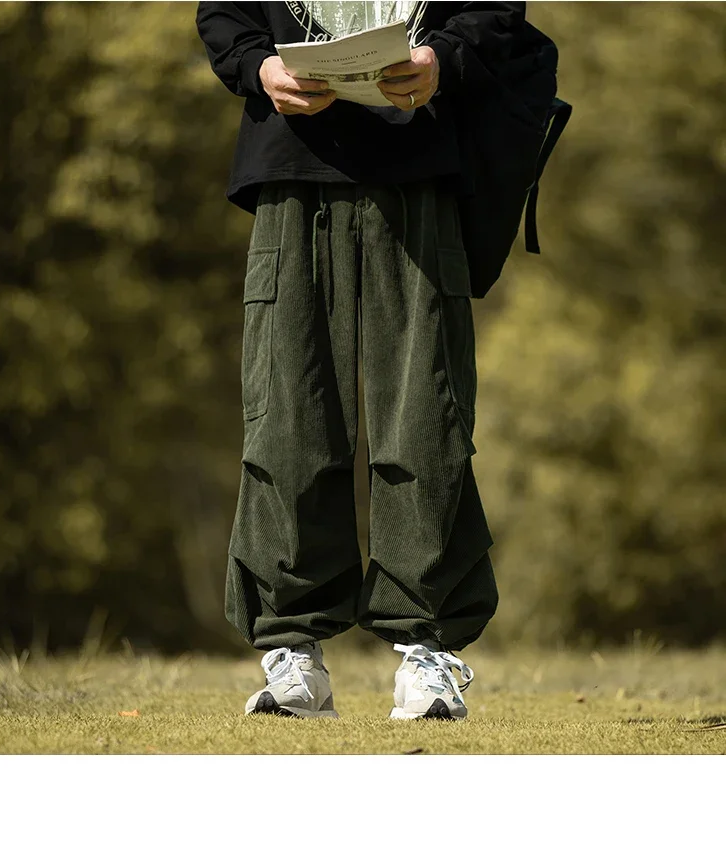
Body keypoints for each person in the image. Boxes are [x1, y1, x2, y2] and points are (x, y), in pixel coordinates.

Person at [195, 1, 522, 720]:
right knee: (287, 423)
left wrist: (441, 59)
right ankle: (293, 653)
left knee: (427, 423)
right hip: (291, 169)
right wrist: (258, 67)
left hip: (421, 169)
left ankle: (427, 651)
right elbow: (222, 12)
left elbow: (497, 11)